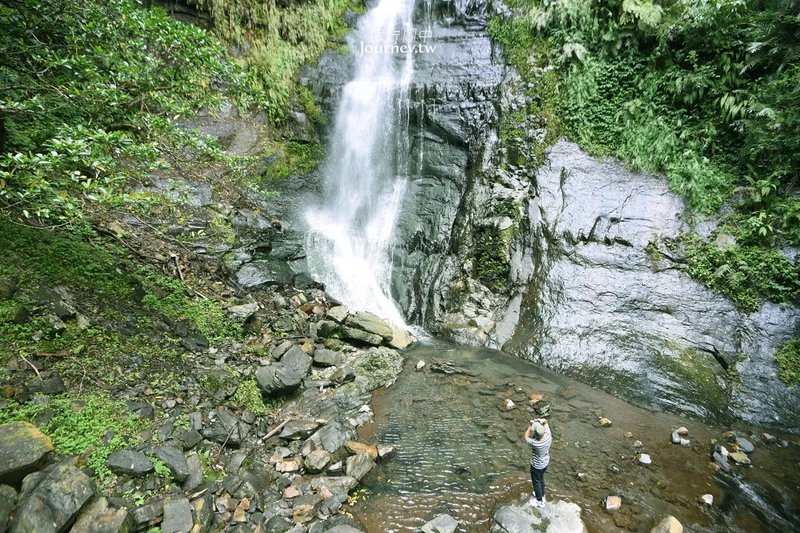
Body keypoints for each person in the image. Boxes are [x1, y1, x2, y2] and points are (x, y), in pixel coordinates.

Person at [524, 417, 552, 508]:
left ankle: (539, 501)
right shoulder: (548, 436)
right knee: (541, 478)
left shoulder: (535, 443)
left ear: (535, 434)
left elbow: (526, 437)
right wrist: (539, 421)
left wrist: (530, 426)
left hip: (536, 466)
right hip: (545, 463)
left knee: (536, 481)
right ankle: (542, 494)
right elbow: (545, 421)